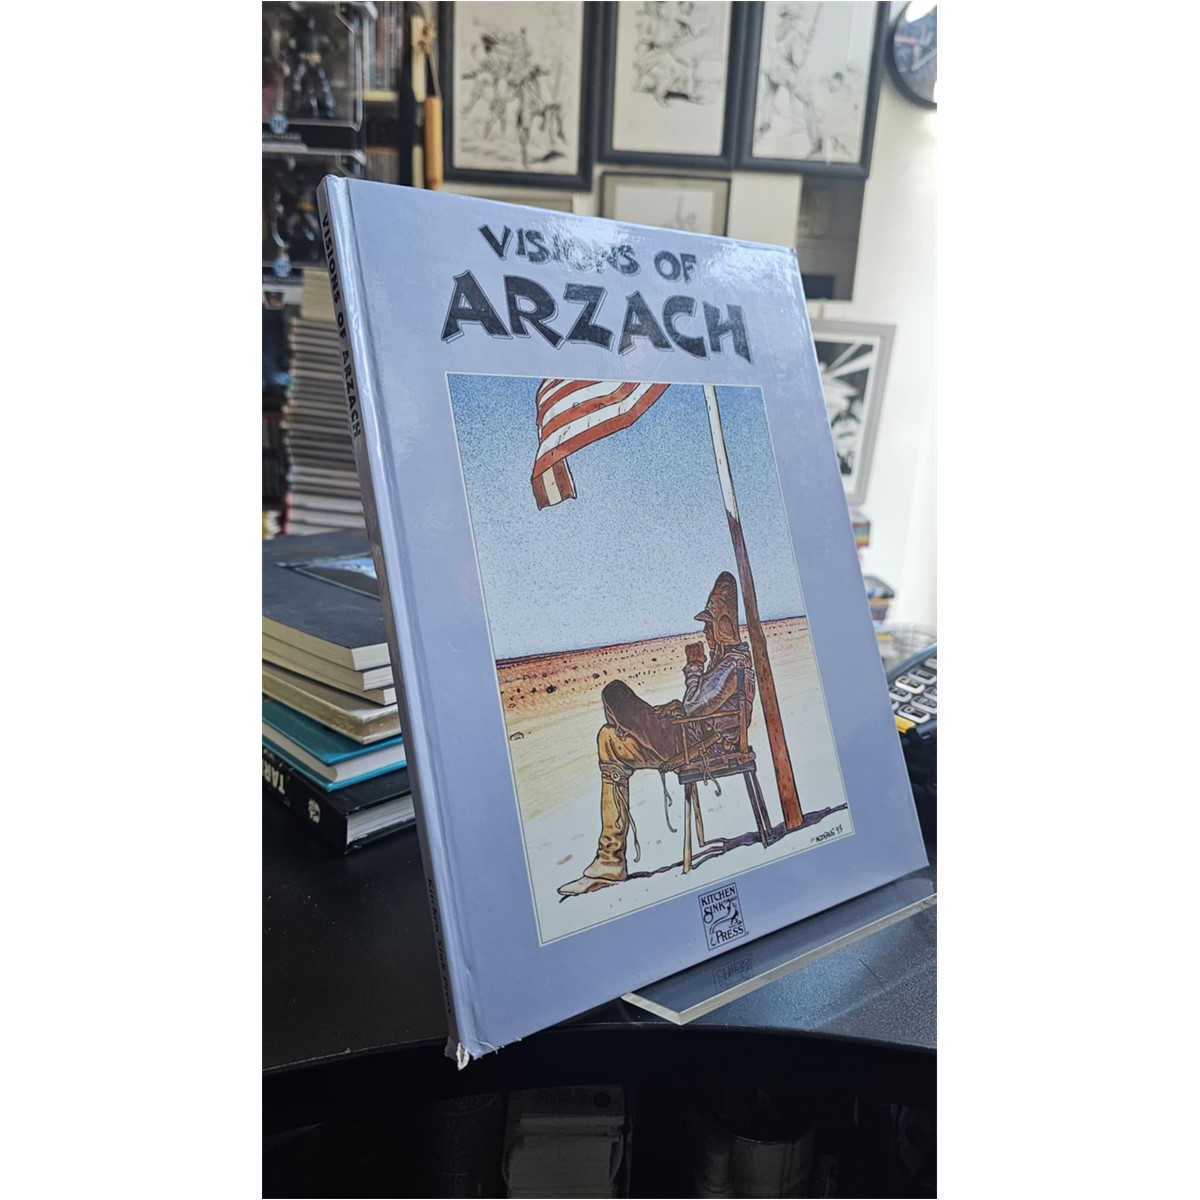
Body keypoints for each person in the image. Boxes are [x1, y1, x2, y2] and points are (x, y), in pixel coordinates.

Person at [559, 572, 756, 897]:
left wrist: (694, 666)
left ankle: (610, 859)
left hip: (697, 746)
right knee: (608, 740)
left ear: (722, 627)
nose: (705, 633)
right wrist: (676, 707)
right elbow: (699, 706)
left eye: (709, 626)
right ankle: (610, 859)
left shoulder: (731, 665)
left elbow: (694, 705)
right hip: (691, 737)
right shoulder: (725, 663)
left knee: (616, 692)